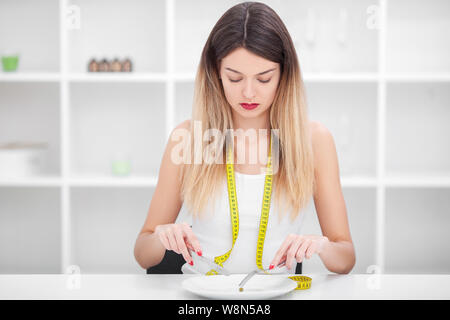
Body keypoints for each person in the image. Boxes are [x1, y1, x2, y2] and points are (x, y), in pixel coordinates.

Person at [134, 2, 355, 274]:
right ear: (216, 74)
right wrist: (161, 237)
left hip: (276, 295)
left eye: (263, 79)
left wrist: (322, 246)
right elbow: (143, 252)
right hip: (204, 297)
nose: (249, 93)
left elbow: (346, 258)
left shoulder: (314, 141)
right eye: (235, 78)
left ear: (284, 76)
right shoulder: (189, 138)